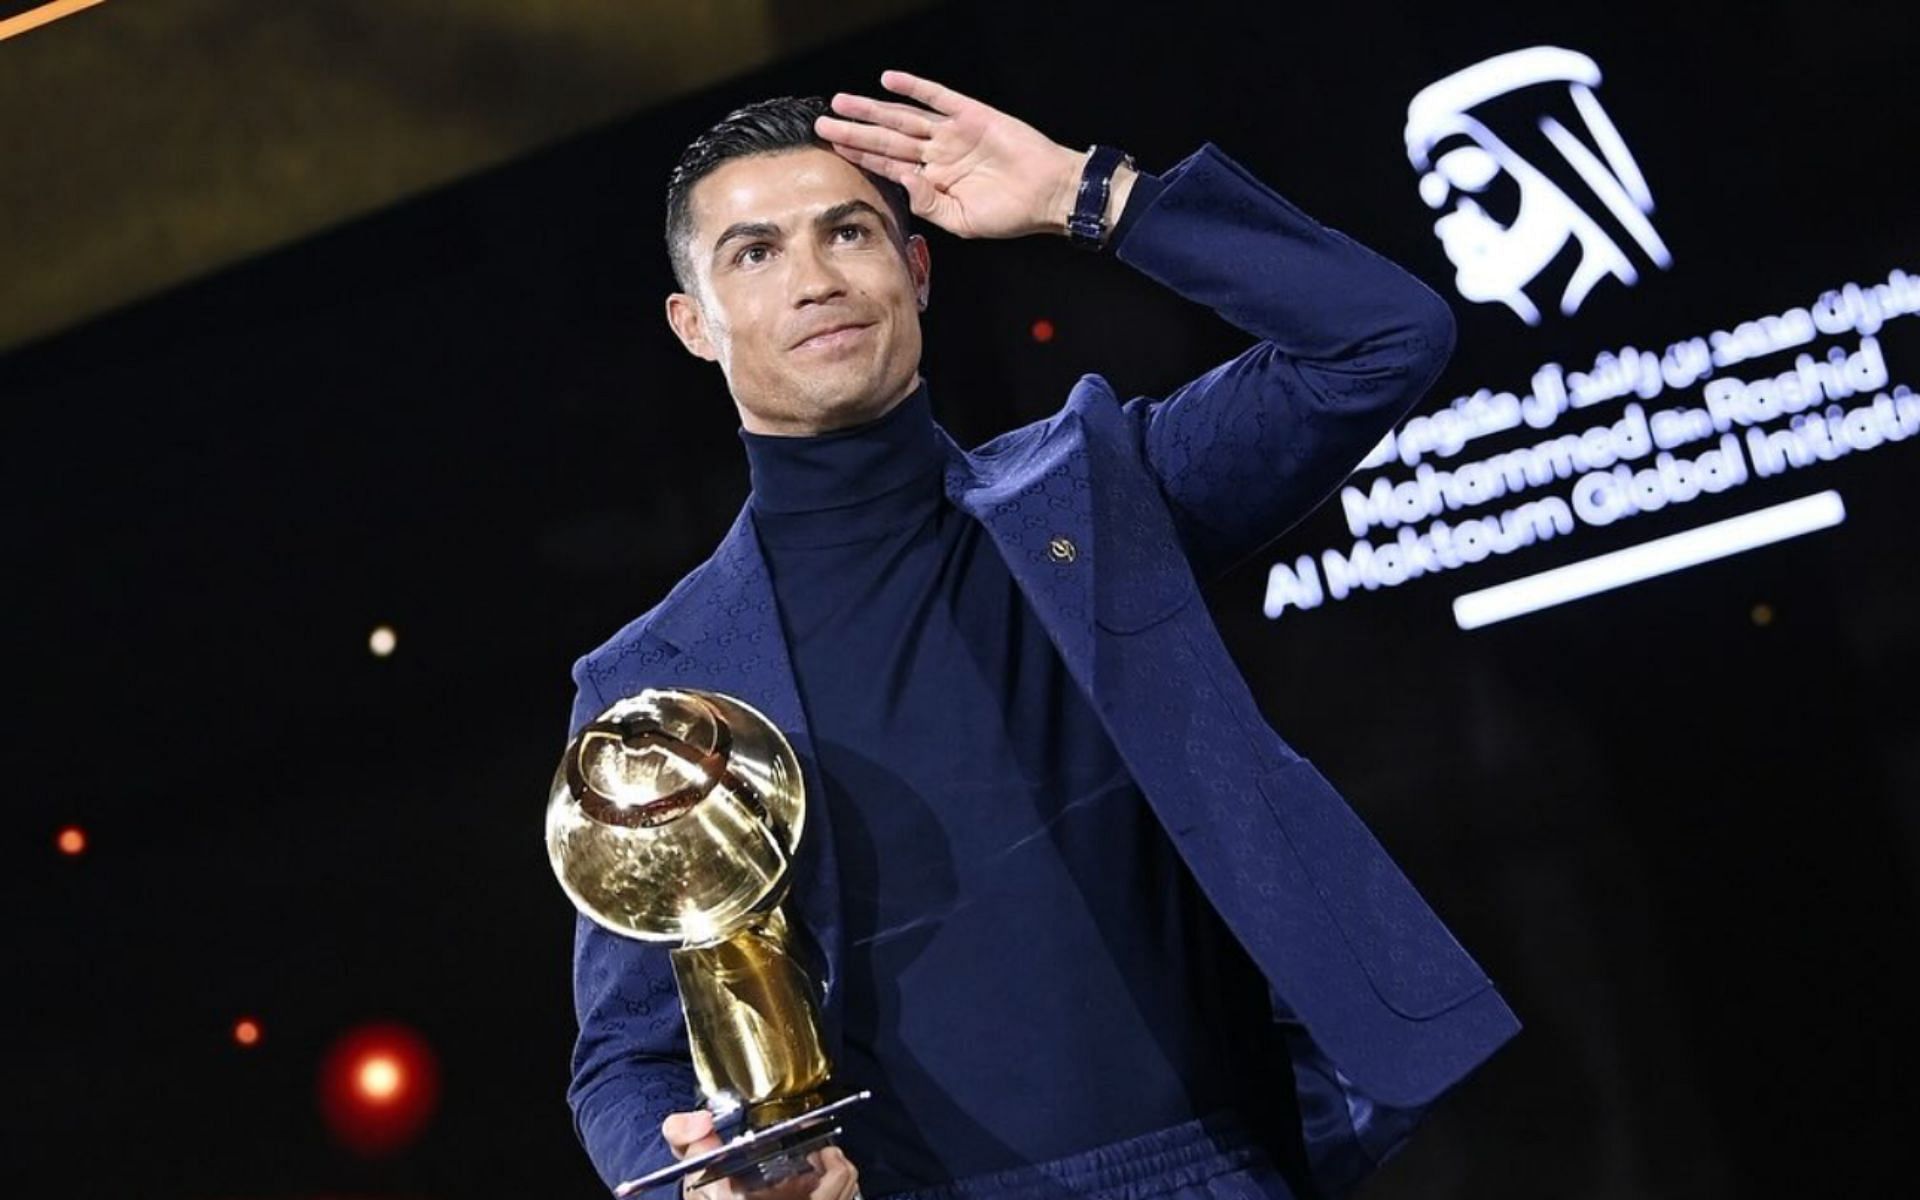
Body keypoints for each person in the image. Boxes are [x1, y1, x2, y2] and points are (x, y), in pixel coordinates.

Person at [563, 70, 1518, 1200]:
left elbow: (1384, 339)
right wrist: (699, 1183)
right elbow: (625, 1056)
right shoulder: (651, 684)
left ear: (917, 271)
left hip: (1223, 1168)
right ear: (694, 324)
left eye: (850, 231)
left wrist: (1091, 192)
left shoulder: (1101, 488)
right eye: (755, 254)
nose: (815, 280)